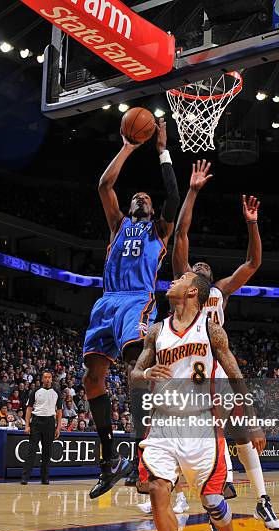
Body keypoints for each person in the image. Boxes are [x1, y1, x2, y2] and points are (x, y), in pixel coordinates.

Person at [131, 271, 266, 531]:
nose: (173, 280)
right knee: (157, 490)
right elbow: (134, 375)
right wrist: (146, 372)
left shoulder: (211, 330)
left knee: (213, 502)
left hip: (201, 424)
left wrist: (252, 420)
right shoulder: (156, 330)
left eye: (180, 278)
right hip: (163, 423)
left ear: (192, 291)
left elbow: (235, 376)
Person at [170, 160, 279, 531]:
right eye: (193, 266)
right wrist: (193, 191)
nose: (198, 265)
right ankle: (200, 490)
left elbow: (253, 262)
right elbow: (182, 234)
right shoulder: (187, 290)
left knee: (244, 431)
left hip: (217, 366)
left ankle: (262, 499)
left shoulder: (219, 291)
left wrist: (252, 223)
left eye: (204, 266)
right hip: (188, 371)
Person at [83, 118, 181, 499]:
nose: (140, 196)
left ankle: (146, 458)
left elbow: (173, 197)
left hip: (136, 300)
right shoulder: (117, 225)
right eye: (136, 196)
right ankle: (109, 462)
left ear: (153, 208)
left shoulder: (159, 230)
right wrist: (126, 146)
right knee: (93, 378)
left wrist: (161, 151)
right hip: (106, 302)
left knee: (134, 369)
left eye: (146, 197)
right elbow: (104, 185)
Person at [21, 371, 62, 485]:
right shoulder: (35, 391)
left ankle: (44, 478)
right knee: (31, 450)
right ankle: (25, 477)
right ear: (42, 379)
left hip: (49, 422)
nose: (48, 379)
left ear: (52, 379)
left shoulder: (57, 392)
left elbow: (59, 411)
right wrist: (27, 425)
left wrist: (58, 428)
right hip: (36, 422)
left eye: (49, 377)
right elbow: (29, 408)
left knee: (47, 452)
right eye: (45, 377)